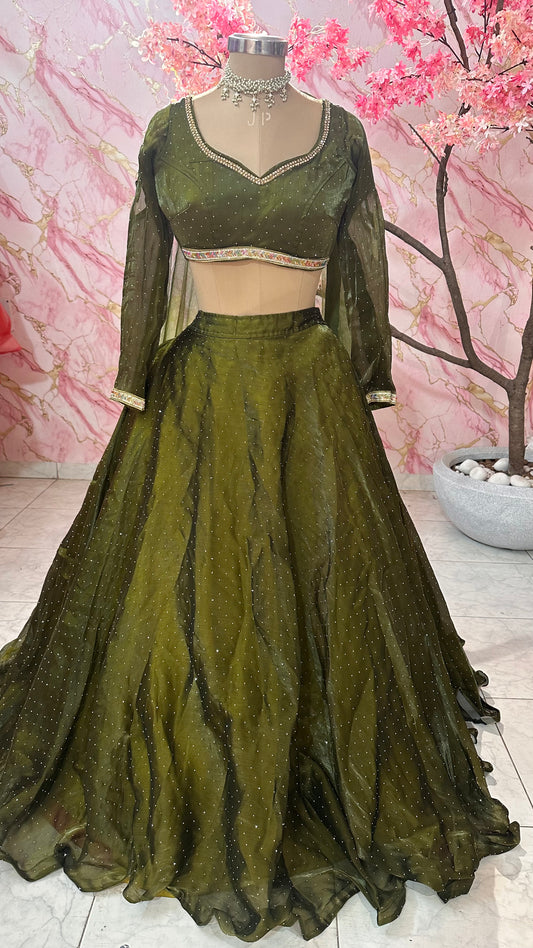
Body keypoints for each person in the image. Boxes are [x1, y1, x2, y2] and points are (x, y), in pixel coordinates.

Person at [0, 32, 520, 943]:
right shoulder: (168, 130)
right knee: (173, 576)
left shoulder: (341, 132)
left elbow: (361, 259)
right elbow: (145, 260)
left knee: (324, 571)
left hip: (308, 385)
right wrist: (136, 368)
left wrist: (365, 369)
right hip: (198, 382)